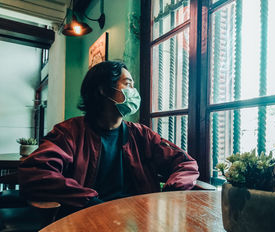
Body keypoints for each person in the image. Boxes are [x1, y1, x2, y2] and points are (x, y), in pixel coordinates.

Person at [18, 61, 199, 217]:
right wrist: (89, 201)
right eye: (128, 84)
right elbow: (35, 172)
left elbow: (186, 163)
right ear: (104, 90)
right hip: (87, 218)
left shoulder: (141, 134)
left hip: (140, 219)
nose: (134, 91)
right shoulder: (69, 133)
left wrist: (169, 193)